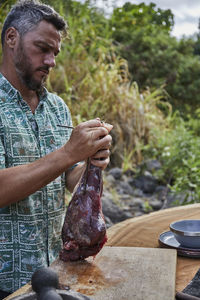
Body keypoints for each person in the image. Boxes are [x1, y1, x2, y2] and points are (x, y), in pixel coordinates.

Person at [0, 0, 112, 297]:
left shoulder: (57, 108)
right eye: (42, 48)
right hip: (5, 284)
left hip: (54, 273)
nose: (51, 61)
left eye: (55, 53)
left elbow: (69, 176)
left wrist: (92, 160)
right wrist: (69, 153)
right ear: (11, 39)